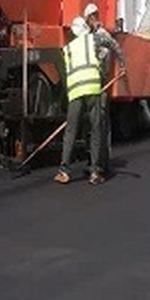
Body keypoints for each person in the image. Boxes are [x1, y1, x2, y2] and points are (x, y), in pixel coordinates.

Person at [55, 17, 107, 185]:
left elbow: (65, 72)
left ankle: (64, 171)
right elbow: (105, 52)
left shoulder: (67, 49)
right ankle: (95, 172)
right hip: (92, 88)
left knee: (71, 130)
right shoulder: (93, 40)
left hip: (75, 91)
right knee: (96, 128)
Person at [83, 2, 126, 174]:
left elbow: (116, 47)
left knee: (100, 121)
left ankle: (102, 163)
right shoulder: (89, 35)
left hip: (100, 83)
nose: (88, 22)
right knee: (93, 122)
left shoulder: (102, 35)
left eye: (88, 19)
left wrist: (122, 65)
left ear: (92, 17)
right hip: (90, 83)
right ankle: (94, 160)